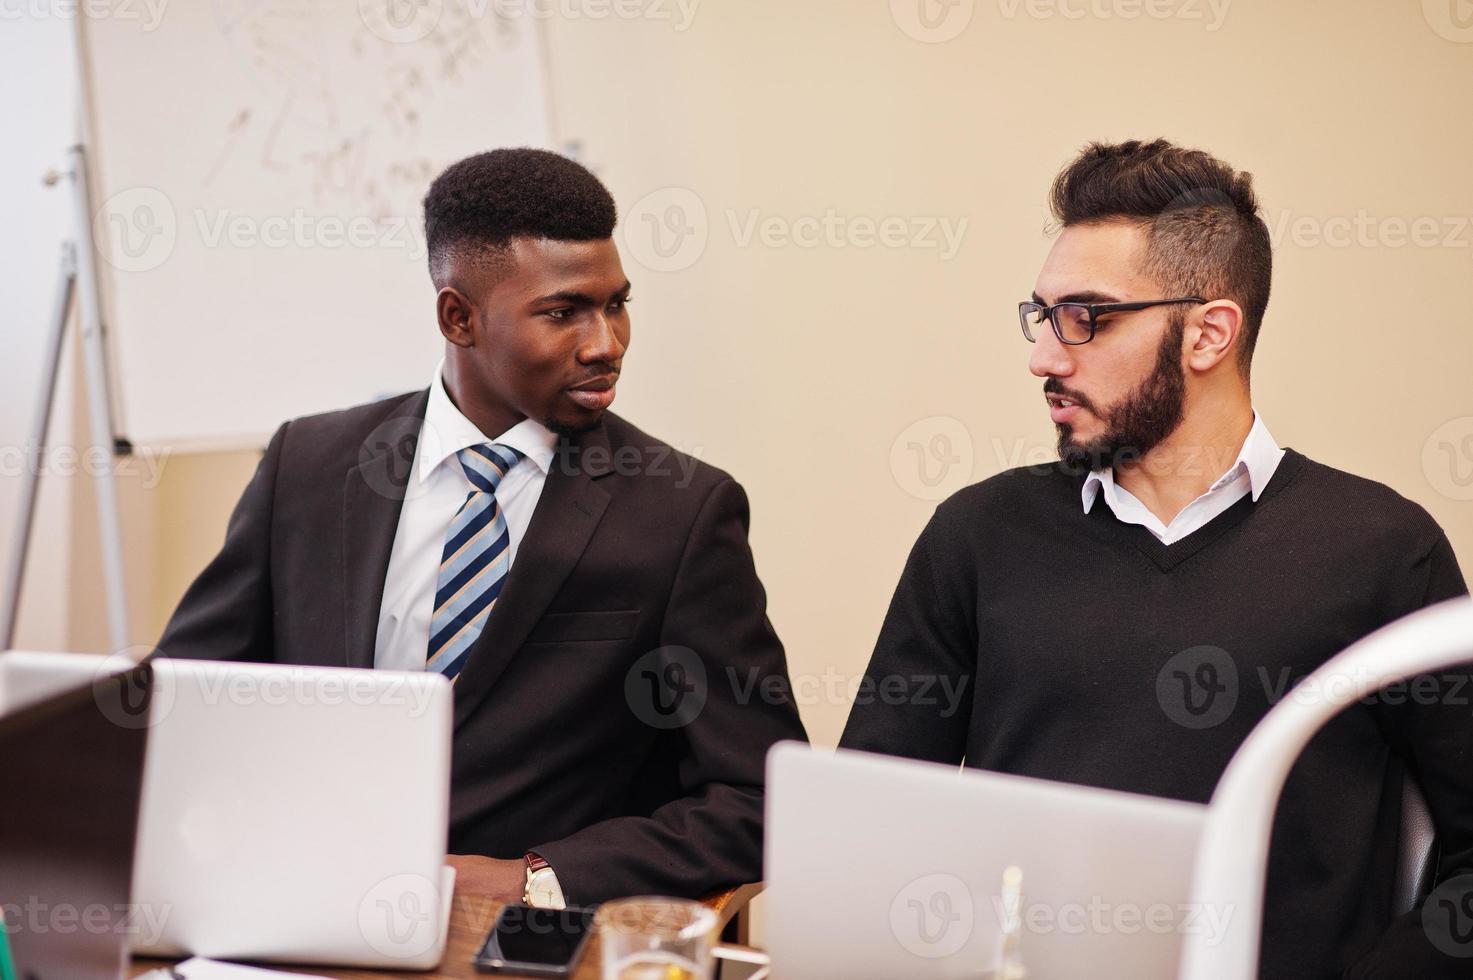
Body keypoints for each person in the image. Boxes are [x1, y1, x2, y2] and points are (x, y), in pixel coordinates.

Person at [840, 139, 1470, 978]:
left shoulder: (1386, 551)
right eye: (1042, 316)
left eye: (1086, 318)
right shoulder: (976, 535)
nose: (1044, 358)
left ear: (1207, 333)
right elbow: (868, 832)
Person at [158, 147, 807, 907]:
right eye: (564, 312)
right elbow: (186, 709)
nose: (606, 344)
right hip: (303, 904)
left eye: (616, 304)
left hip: (519, 941)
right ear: (457, 317)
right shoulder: (309, 466)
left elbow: (761, 798)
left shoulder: (681, 513)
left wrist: (535, 878)